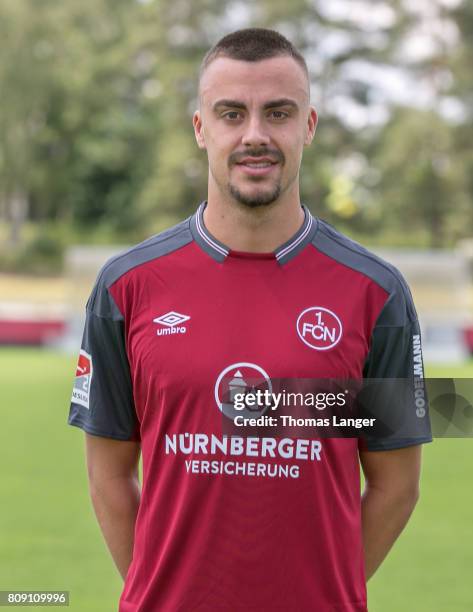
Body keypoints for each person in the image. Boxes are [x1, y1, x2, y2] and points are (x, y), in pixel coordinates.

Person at [68, 28, 432, 612]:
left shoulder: (376, 292)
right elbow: (108, 476)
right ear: (200, 129)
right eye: (231, 113)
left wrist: (323, 591)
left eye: (279, 113)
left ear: (308, 125)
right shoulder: (125, 286)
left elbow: (396, 485)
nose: (255, 135)